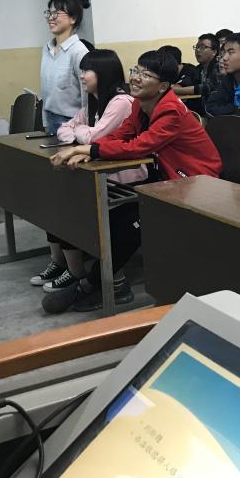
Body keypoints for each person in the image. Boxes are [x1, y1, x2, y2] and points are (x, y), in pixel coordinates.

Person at [31, 49, 147, 308]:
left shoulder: (121, 102)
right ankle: (68, 267)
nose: (81, 76)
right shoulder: (93, 103)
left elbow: (95, 138)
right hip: (100, 174)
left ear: (103, 73)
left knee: (73, 206)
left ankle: (93, 278)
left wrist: (81, 132)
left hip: (126, 180)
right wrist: (82, 132)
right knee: (57, 198)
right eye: (81, 70)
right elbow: (65, 130)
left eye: (87, 71)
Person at [40, 0, 90, 136]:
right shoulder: (47, 49)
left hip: (72, 121)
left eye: (56, 13)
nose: (50, 18)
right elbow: (46, 89)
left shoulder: (79, 51)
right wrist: (45, 121)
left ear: (72, 19)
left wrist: (83, 127)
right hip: (50, 117)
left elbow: (87, 95)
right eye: (49, 13)